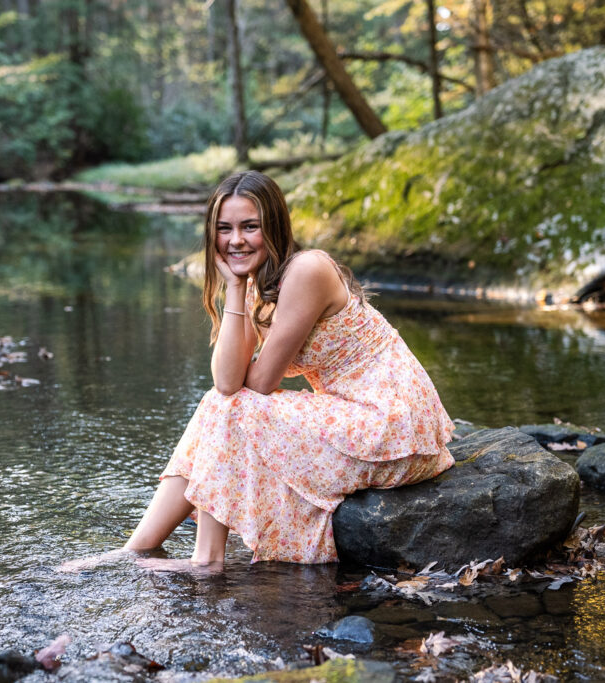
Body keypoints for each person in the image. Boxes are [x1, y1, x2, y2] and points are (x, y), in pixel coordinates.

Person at [63, 170, 454, 572]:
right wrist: (234, 287)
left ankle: (207, 559)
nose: (236, 240)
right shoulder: (255, 285)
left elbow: (259, 383)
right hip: (355, 413)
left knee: (228, 408)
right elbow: (227, 380)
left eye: (250, 227)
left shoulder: (307, 270)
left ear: (274, 227)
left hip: (393, 421)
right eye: (224, 229)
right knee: (220, 402)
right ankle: (136, 549)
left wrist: (234, 380)